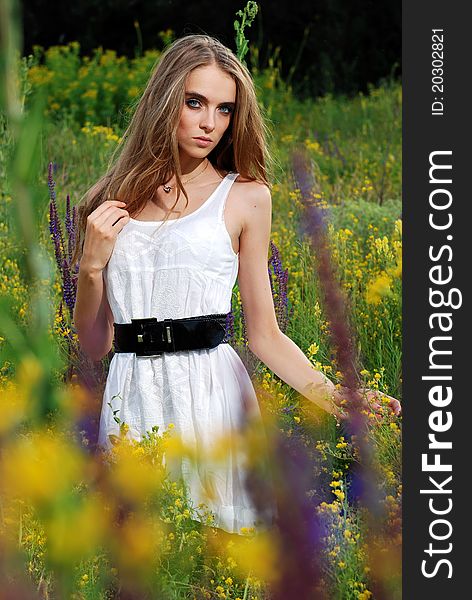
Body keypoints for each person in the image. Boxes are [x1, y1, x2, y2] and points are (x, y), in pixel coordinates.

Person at [72, 34, 400, 536]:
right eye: (195, 102)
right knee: (138, 559)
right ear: (165, 101)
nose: (210, 123)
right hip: (131, 393)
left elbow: (264, 334)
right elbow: (95, 346)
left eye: (225, 110)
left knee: (219, 554)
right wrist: (90, 268)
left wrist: (335, 396)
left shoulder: (246, 197)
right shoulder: (109, 201)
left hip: (211, 393)